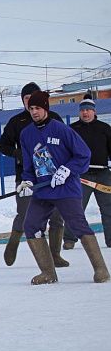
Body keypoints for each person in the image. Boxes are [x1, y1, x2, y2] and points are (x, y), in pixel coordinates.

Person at [17, 91, 109, 285]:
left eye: (38, 108)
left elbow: (83, 154)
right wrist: (26, 181)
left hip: (66, 189)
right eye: (31, 108)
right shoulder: (26, 134)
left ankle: (101, 269)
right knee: (31, 226)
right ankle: (48, 273)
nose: (34, 112)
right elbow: (28, 164)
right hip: (42, 190)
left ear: (46, 109)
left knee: (78, 225)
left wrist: (67, 169)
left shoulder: (61, 129)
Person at [0, 82, 68, 267]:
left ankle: (55, 255)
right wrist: (17, 153)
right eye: (27, 99)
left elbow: (65, 142)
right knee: (24, 214)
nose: (30, 103)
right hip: (26, 178)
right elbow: (2, 145)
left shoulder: (54, 118)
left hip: (52, 178)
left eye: (33, 98)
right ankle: (12, 244)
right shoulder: (17, 122)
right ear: (23, 101)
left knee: (56, 216)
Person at [63, 95, 111, 249]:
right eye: (83, 110)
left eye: (89, 110)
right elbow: (65, 152)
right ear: (79, 112)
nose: (85, 113)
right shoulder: (72, 130)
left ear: (94, 111)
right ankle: (69, 239)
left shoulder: (104, 128)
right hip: (80, 176)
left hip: (103, 175)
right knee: (75, 208)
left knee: (108, 208)